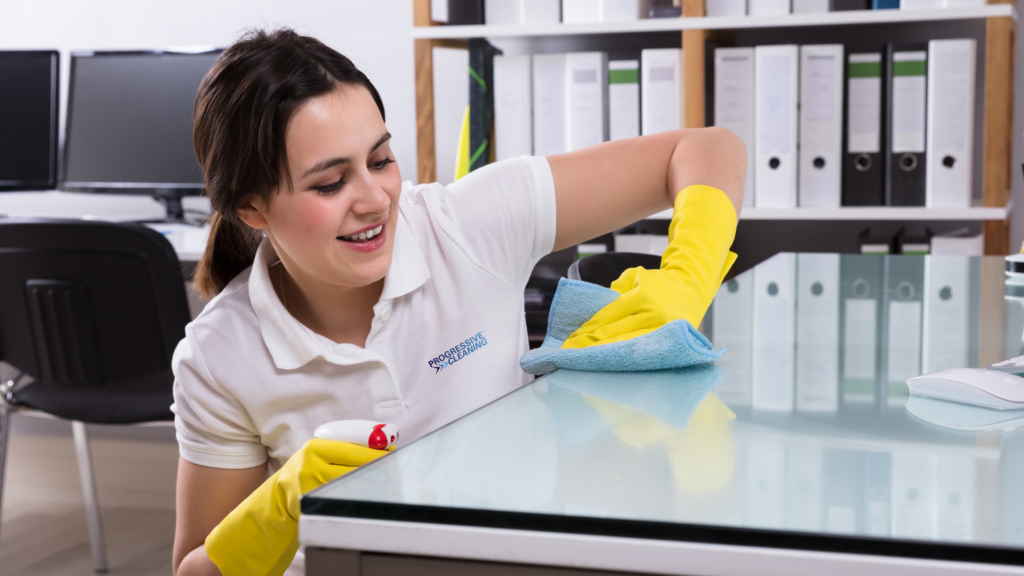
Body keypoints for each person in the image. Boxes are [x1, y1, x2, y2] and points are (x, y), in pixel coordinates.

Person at [172, 28, 746, 576]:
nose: (375, 200)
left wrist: (687, 277)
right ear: (252, 209)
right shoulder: (219, 355)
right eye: (329, 184)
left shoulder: (467, 226)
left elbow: (706, 147)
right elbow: (194, 568)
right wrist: (277, 508)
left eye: (380, 161)